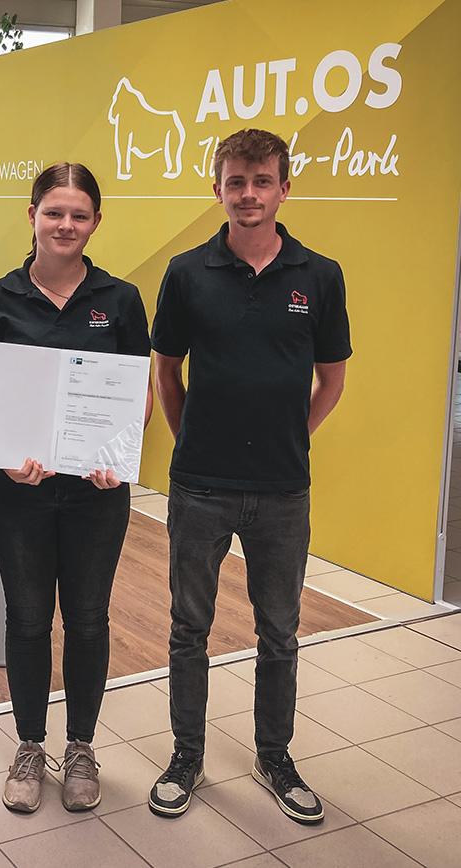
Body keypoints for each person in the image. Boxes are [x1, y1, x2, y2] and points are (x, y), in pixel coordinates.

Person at [148, 128, 350, 824]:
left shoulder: (319, 276)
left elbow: (332, 379)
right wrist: (190, 442)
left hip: (283, 489)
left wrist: (294, 437)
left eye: (263, 181)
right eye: (236, 181)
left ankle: (275, 756)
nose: (249, 195)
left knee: (280, 634)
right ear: (218, 189)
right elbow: (167, 371)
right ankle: (186, 755)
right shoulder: (185, 272)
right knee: (187, 629)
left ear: (284, 189)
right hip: (200, 484)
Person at [0, 162, 152, 814]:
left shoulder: (121, 300)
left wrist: (116, 451)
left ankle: (82, 748)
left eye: (79, 214)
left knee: (90, 619)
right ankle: (31, 745)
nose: (65, 225)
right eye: (53, 212)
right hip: (20, 493)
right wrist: (5, 450)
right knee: (28, 619)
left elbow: (137, 393)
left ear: (95, 221)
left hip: (97, 492)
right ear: (33, 215)